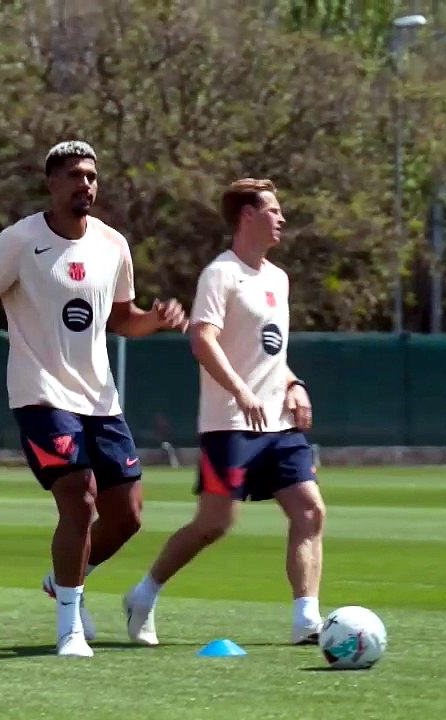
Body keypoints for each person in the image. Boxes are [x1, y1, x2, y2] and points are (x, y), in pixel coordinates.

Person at [0, 140, 188, 658]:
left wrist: (154, 321)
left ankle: (64, 578)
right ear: (51, 183)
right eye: (73, 175)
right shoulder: (20, 240)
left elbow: (121, 318)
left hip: (100, 400)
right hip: (40, 395)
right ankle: (70, 626)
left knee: (128, 516)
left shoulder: (113, 245)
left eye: (91, 175)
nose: (84, 184)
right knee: (79, 494)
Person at [121, 178, 326, 647]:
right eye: (273, 210)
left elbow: (269, 355)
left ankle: (306, 621)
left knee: (311, 511)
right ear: (247, 217)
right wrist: (241, 391)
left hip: (279, 423)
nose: (282, 219)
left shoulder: (279, 278)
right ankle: (144, 593)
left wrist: (294, 384)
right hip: (231, 424)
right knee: (215, 523)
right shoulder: (220, 274)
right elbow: (201, 338)